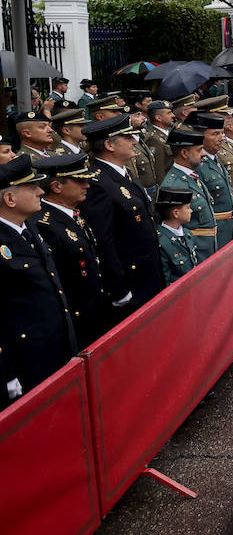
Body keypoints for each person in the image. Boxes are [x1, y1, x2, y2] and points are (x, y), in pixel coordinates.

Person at [0, 155, 78, 407]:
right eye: (31, 187)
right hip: (26, 359)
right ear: (10, 199)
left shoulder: (28, 226)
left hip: (55, 343)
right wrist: (6, 373)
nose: (40, 191)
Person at [31, 153, 125, 348]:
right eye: (80, 181)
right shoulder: (45, 225)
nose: (87, 186)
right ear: (57, 187)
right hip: (78, 320)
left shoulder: (72, 212)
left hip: (96, 310)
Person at [83, 114, 163, 309]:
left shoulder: (122, 172)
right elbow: (104, 240)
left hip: (148, 270)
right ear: (110, 145)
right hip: (131, 279)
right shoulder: (98, 182)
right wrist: (119, 288)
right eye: (127, 138)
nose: (134, 141)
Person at [157, 127, 219, 261]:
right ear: (184, 153)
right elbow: (172, 229)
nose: (203, 154)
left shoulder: (191, 175)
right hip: (195, 252)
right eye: (198, 150)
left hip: (208, 248)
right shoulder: (174, 185)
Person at [193, 112, 233, 247]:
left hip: (227, 227)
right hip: (212, 232)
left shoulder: (214, 159)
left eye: (222, 133)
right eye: (215, 134)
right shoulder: (198, 164)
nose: (221, 139)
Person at [154, 186, 199, 285]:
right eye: (187, 207)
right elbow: (165, 279)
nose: (191, 211)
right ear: (176, 213)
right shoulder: (161, 242)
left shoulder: (187, 234)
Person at [144, 100, 175, 182]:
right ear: (158, 118)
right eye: (169, 113)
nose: (173, 115)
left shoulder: (168, 134)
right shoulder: (153, 139)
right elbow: (159, 171)